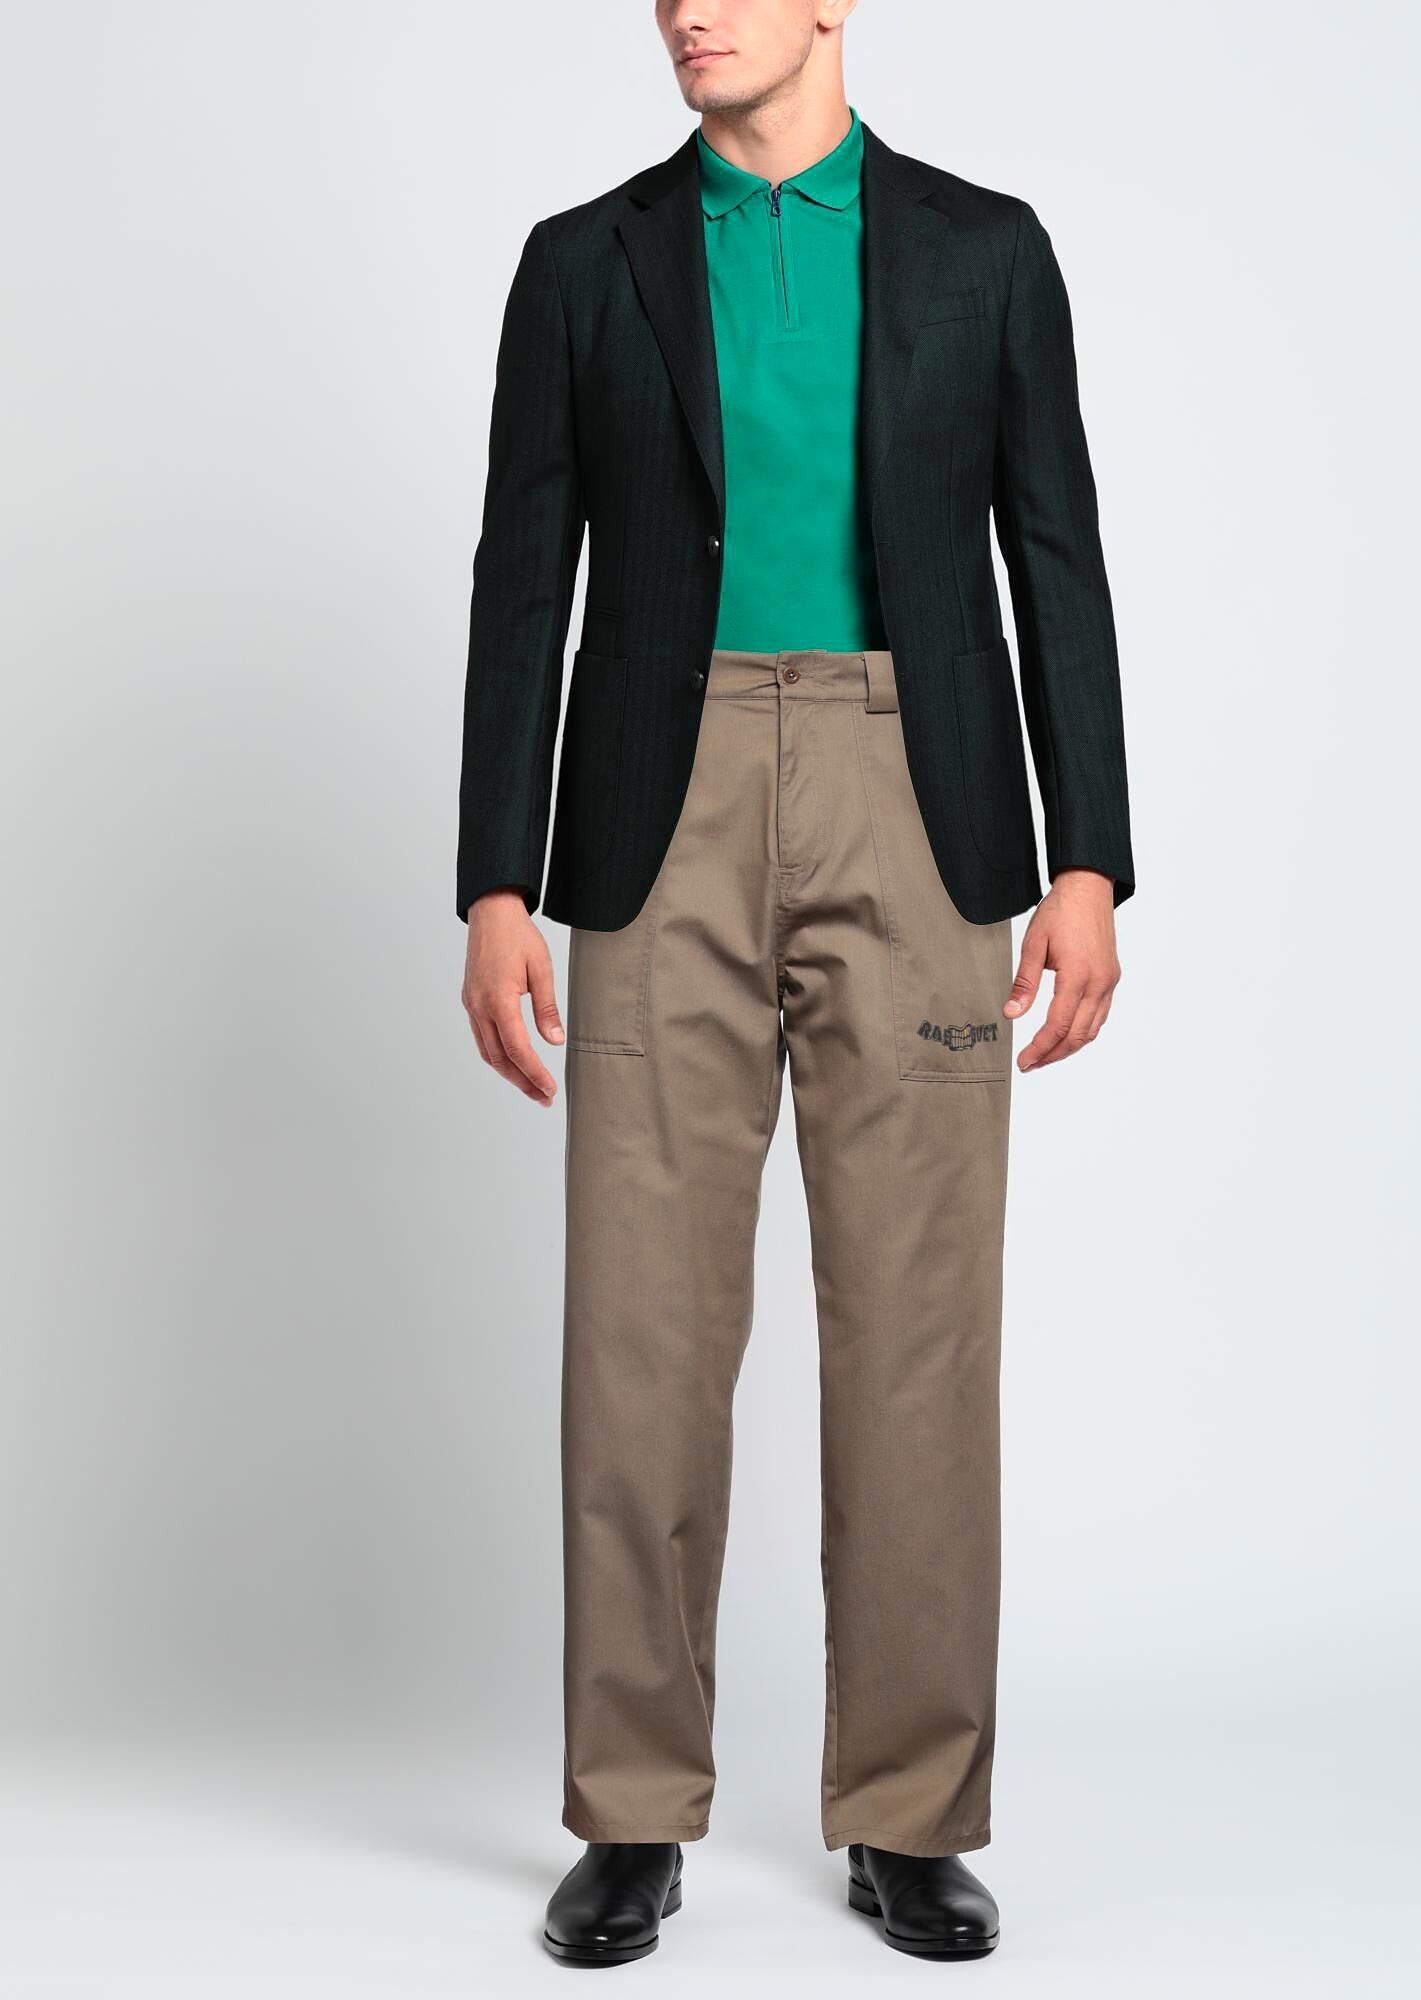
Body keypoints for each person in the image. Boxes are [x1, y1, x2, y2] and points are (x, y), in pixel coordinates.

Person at [457, 0, 1133, 1966]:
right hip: (645, 816)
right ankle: (631, 1809)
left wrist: (1087, 857)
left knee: (920, 1324)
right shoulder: (580, 264)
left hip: (921, 798)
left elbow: (1055, 554)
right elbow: (525, 574)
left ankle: (910, 1814)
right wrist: (496, 877)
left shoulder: (984, 251)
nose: (686, 8)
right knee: (640, 1334)